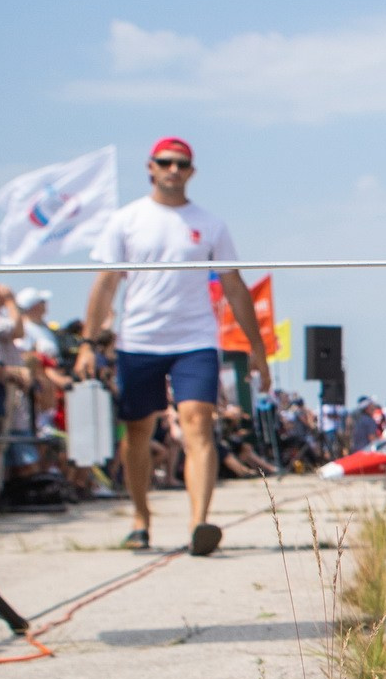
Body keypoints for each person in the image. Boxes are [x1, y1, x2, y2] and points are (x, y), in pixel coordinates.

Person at [74, 137, 268, 555]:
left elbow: (234, 286)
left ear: (192, 171)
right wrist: (88, 343)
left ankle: (200, 523)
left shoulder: (210, 224)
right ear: (150, 167)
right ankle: (141, 519)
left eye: (181, 164)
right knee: (139, 430)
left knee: (198, 422)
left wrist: (258, 347)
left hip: (195, 338)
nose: (173, 170)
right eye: (166, 163)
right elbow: (106, 283)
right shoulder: (126, 220)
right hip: (140, 338)